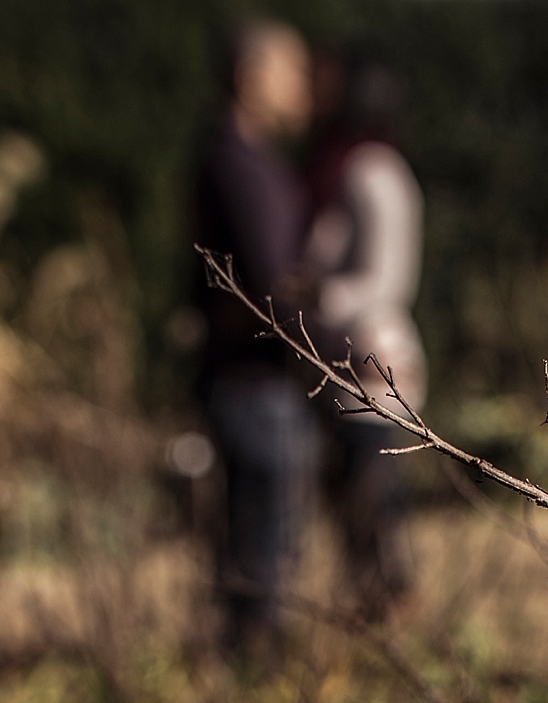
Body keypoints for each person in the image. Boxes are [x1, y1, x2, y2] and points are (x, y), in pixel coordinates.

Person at [187, 19, 318, 653]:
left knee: (260, 533)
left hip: (256, 377)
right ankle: (254, 661)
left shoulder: (249, 160)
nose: (303, 84)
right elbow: (273, 283)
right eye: (290, 70)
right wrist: (336, 350)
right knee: (261, 537)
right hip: (250, 379)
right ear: (250, 78)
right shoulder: (237, 164)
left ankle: (252, 656)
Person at [305, 54, 428, 621]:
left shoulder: (372, 170)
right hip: (352, 357)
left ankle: (393, 623)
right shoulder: (356, 167)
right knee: (359, 513)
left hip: (373, 360)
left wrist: (310, 298)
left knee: (374, 512)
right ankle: (378, 622)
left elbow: (387, 279)